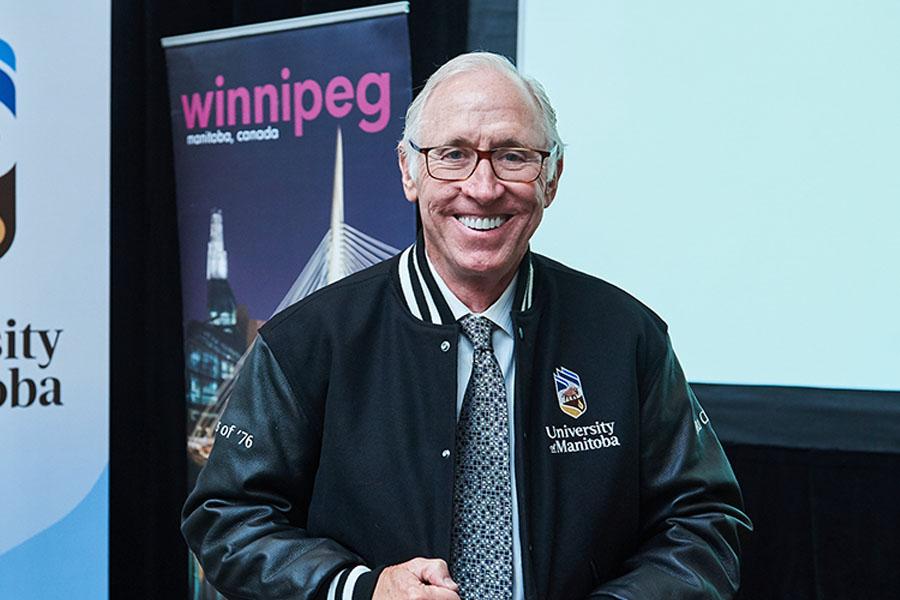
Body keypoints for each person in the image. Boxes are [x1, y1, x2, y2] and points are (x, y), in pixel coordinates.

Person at [182, 52, 752, 600]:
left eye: (513, 156)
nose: (482, 187)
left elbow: (702, 523)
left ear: (551, 178)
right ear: (408, 170)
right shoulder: (306, 343)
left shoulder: (627, 338)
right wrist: (361, 589)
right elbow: (226, 520)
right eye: (452, 154)